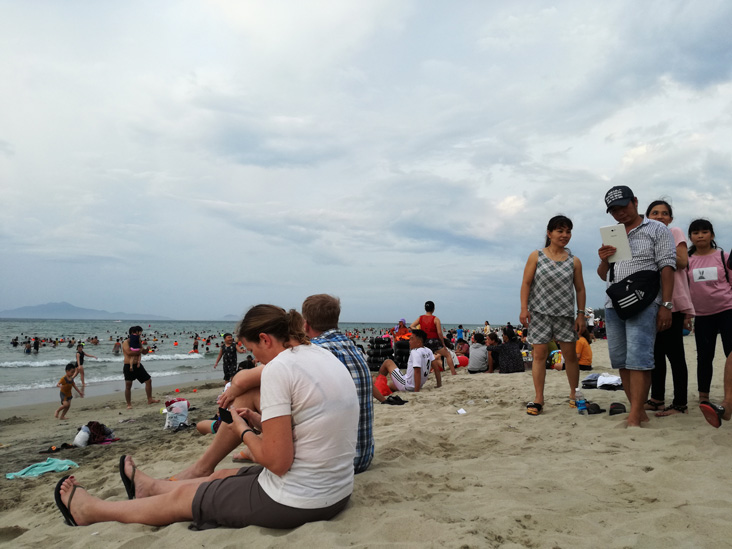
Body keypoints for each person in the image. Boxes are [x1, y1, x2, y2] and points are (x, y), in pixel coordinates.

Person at [54, 305, 358, 530]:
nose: (254, 360)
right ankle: (149, 488)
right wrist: (257, 419)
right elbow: (312, 428)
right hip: (336, 490)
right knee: (219, 477)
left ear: (265, 339)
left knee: (186, 497)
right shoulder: (318, 354)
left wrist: (242, 429)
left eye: (252, 350)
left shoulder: (280, 369)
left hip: (300, 501)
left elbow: (278, 463)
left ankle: (91, 511)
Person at [171, 296, 375, 481]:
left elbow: (242, 380)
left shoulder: (314, 351)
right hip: (362, 453)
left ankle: (204, 467)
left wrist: (233, 393)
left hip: (333, 462)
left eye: (253, 350)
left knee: (249, 393)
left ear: (305, 324)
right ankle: (249, 450)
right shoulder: (350, 346)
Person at [597, 186, 675, 427]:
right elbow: (604, 275)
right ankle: (637, 410)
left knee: (639, 359)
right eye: (614, 210)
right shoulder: (612, 234)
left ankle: (635, 415)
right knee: (621, 360)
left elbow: (667, 267)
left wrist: (666, 305)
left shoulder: (656, 229)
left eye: (624, 206)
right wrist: (603, 258)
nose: (620, 213)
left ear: (636, 201)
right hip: (613, 304)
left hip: (644, 302)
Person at [520, 215, 587, 416]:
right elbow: (526, 283)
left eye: (568, 231)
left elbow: (580, 289)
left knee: (570, 357)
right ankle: (539, 397)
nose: (565, 235)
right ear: (549, 233)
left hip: (565, 314)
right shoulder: (536, 256)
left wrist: (580, 314)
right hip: (539, 312)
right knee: (539, 356)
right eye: (560, 231)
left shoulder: (574, 261)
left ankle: (574, 394)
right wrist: (524, 308)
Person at [644, 200, 695, 416]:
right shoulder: (644, 235)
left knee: (675, 354)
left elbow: (682, 261)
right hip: (651, 301)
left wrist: (657, 251)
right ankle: (657, 399)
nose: (660, 216)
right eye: (655, 213)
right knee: (656, 354)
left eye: (665, 213)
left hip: (673, 300)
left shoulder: (674, 231)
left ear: (671, 219)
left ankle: (680, 403)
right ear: (647, 217)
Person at [686, 218, 732, 405]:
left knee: (731, 354)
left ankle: (729, 396)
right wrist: (687, 315)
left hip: (727, 310)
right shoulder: (687, 261)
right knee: (705, 356)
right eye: (696, 233)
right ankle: (704, 396)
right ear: (690, 237)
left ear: (712, 235)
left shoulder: (724, 257)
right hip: (702, 315)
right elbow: (685, 289)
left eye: (704, 232)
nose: (700, 236)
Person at [373, 329, 438, 399]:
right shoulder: (428, 351)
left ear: (419, 342)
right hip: (417, 385)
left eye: (412, 339)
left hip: (409, 385)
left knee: (387, 362)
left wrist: (416, 392)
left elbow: (417, 371)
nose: (409, 342)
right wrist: (439, 384)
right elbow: (436, 369)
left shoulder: (415, 352)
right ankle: (382, 389)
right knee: (391, 386)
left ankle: (377, 387)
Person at [410, 301, 456, 375]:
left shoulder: (420, 318)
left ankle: (422, 374)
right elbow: (439, 333)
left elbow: (412, 326)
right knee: (447, 355)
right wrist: (443, 343)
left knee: (424, 358)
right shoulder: (436, 319)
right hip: (435, 341)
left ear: (425, 308)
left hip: (425, 341)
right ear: (433, 309)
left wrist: (420, 332)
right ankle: (453, 372)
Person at [122, 326, 160, 410]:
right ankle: (129, 404)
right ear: (133, 333)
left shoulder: (138, 342)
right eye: (139, 332)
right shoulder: (126, 342)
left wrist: (147, 349)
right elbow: (129, 352)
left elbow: (144, 352)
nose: (140, 334)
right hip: (129, 365)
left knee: (148, 380)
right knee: (128, 385)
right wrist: (139, 350)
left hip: (138, 365)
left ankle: (150, 399)